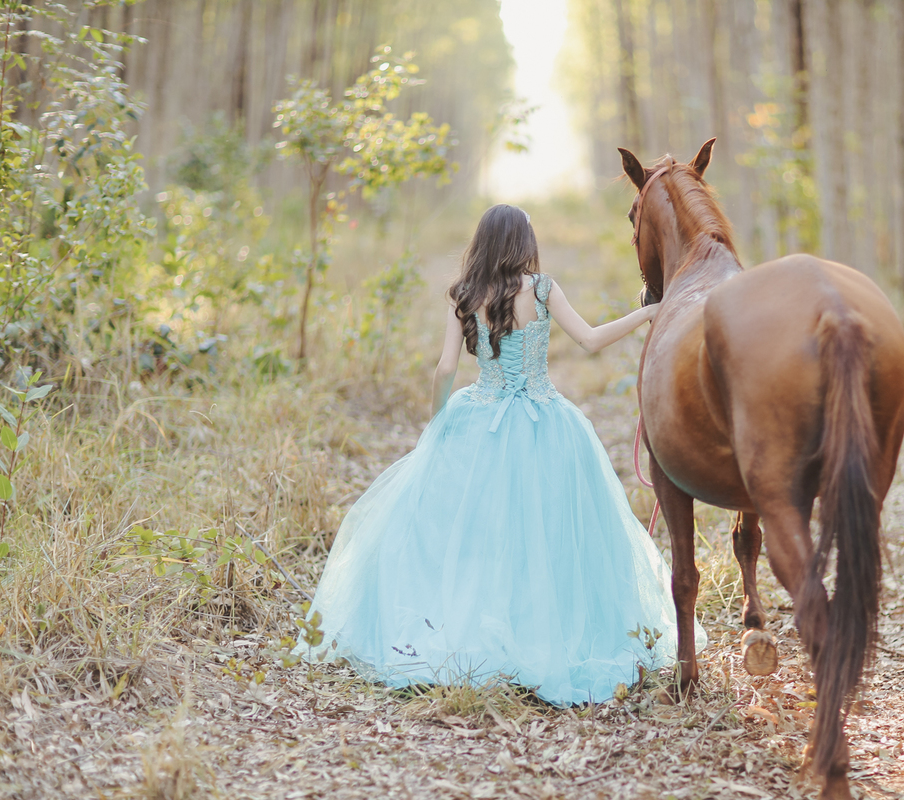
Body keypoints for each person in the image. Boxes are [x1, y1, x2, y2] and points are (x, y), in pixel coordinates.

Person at [295, 204, 704, 705]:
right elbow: (593, 341)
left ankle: (470, 630)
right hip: (544, 419)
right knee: (547, 532)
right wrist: (646, 312)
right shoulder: (543, 289)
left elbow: (446, 366)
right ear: (523, 242)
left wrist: (437, 422)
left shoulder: (464, 295)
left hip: (479, 416)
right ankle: (540, 627)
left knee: (475, 533)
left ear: (483, 243)